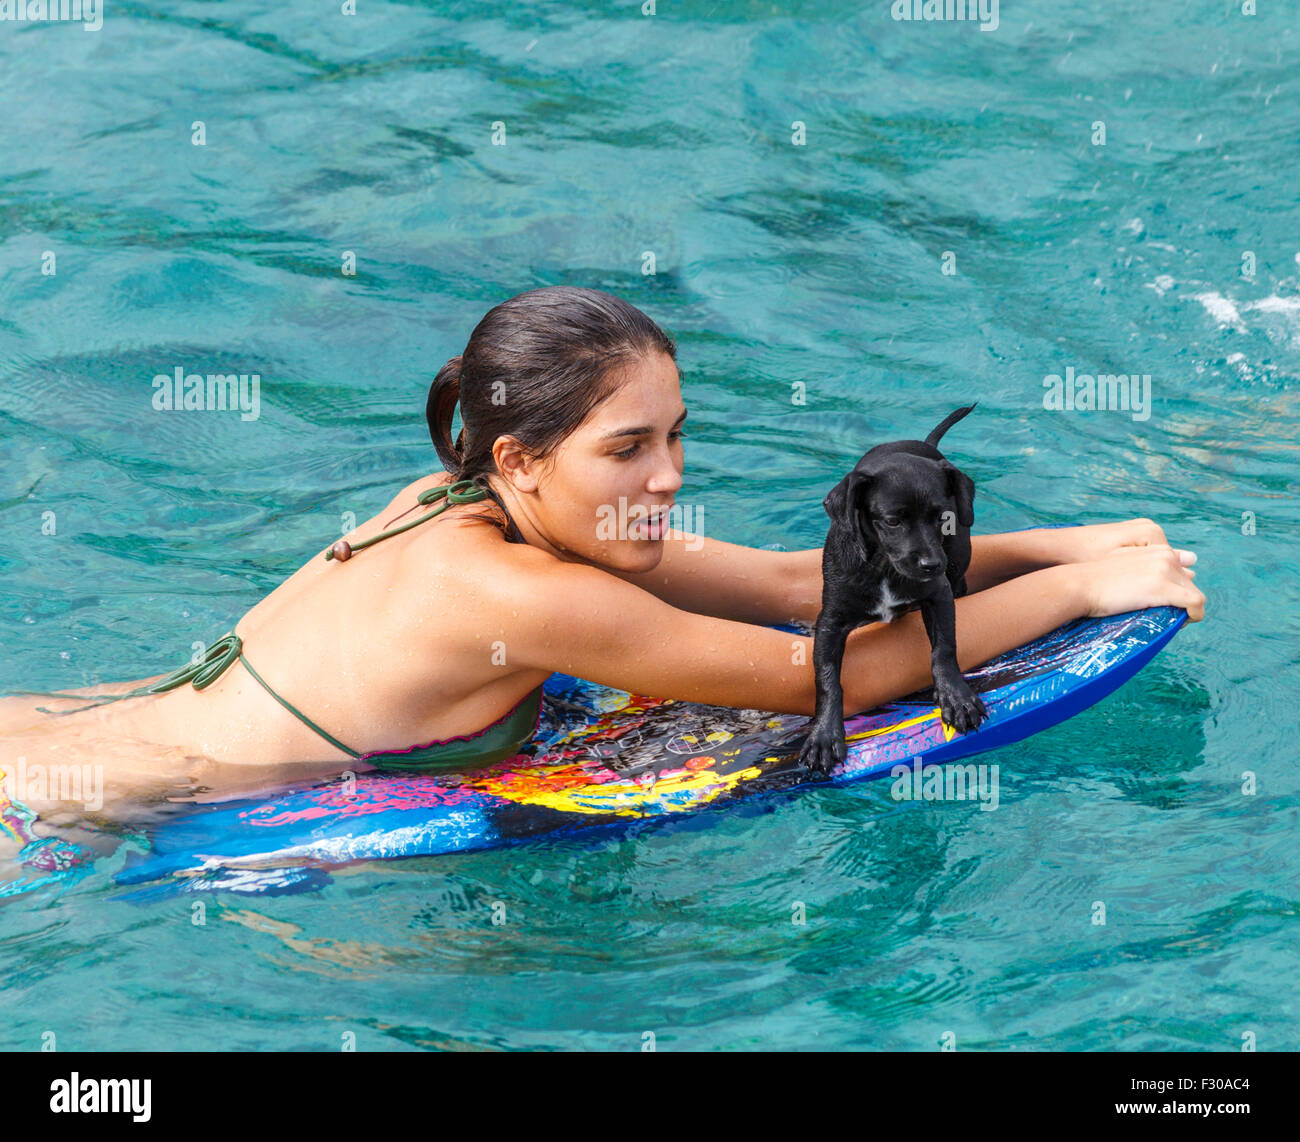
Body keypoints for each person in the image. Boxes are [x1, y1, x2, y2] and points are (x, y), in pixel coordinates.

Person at [0, 285, 1206, 845]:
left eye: (677, 434)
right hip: (90, 798)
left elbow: (802, 585)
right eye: (628, 447)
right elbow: (810, 674)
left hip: (68, 725)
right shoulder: (521, 593)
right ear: (523, 458)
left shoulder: (457, 495)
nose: (668, 475)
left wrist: (1076, 540)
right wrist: (1080, 598)